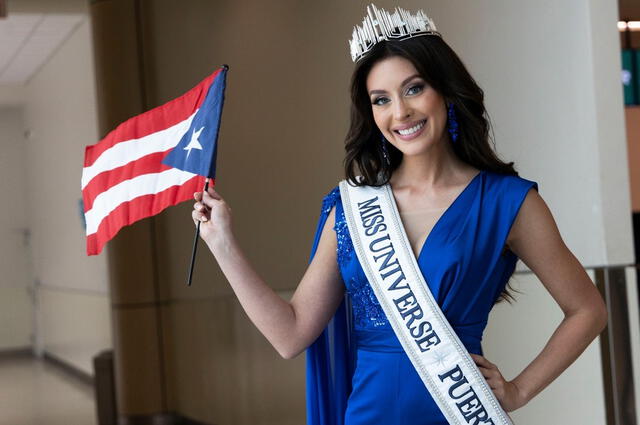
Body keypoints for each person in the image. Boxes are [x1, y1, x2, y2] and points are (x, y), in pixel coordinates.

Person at [192, 5, 608, 424]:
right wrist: (222, 243)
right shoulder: (352, 208)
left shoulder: (506, 202)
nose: (400, 113)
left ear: (445, 90)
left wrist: (518, 390)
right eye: (381, 100)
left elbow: (588, 310)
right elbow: (291, 334)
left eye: (414, 89)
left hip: (458, 412)